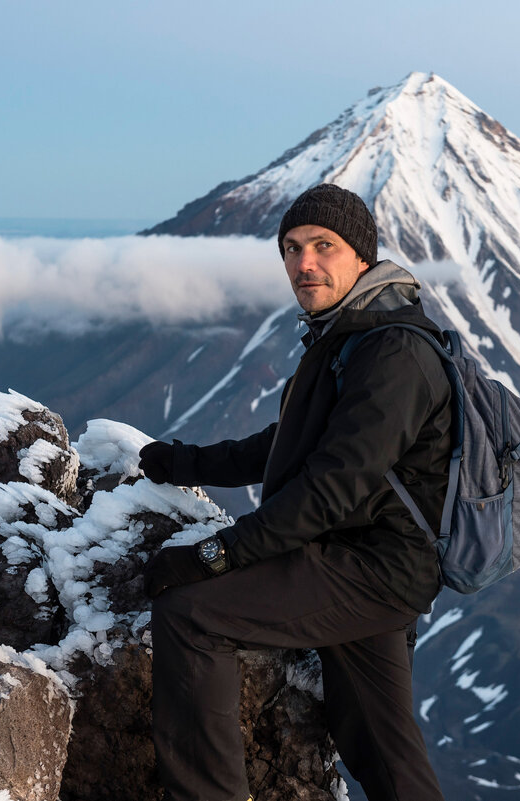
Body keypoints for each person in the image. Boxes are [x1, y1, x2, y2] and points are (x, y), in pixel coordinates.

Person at [138, 183, 451, 801]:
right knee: (378, 743)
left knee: (191, 618)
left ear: (361, 256)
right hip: (379, 563)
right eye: (291, 248)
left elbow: (331, 488)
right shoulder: (350, 338)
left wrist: (216, 555)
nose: (304, 263)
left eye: (322, 246)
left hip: (370, 565)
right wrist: (182, 462)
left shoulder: (393, 353)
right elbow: (287, 444)